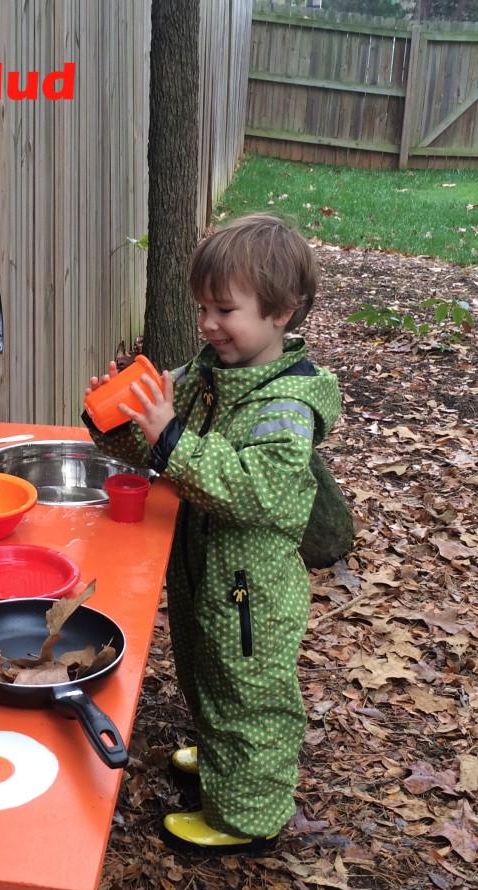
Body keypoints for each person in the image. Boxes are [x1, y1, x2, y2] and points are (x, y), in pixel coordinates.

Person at [83, 213, 342, 855]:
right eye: (202, 308)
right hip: (209, 573)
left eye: (225, 310)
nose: (207, 325)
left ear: (282, 312)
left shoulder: (286, 407)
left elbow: (259, 492)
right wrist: (117, 418)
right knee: (206, 673)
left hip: (252, 593)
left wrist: (170, 435)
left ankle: (249, 816)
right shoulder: (209, 371)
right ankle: (224, 759)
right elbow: (157, 444)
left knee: (249, 695)